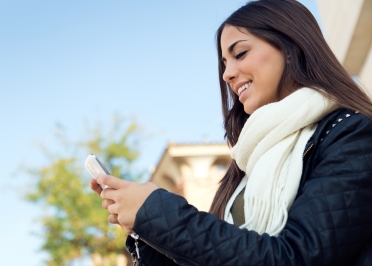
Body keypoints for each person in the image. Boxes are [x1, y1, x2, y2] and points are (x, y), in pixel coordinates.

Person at [90, 0, 372, 265]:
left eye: (240, 54)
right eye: (224, 63)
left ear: (292, 47)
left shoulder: (350, 134)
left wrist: (156, 212)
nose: (227, 74)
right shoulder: (247, 161)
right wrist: (144, 227)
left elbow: (297, 257)